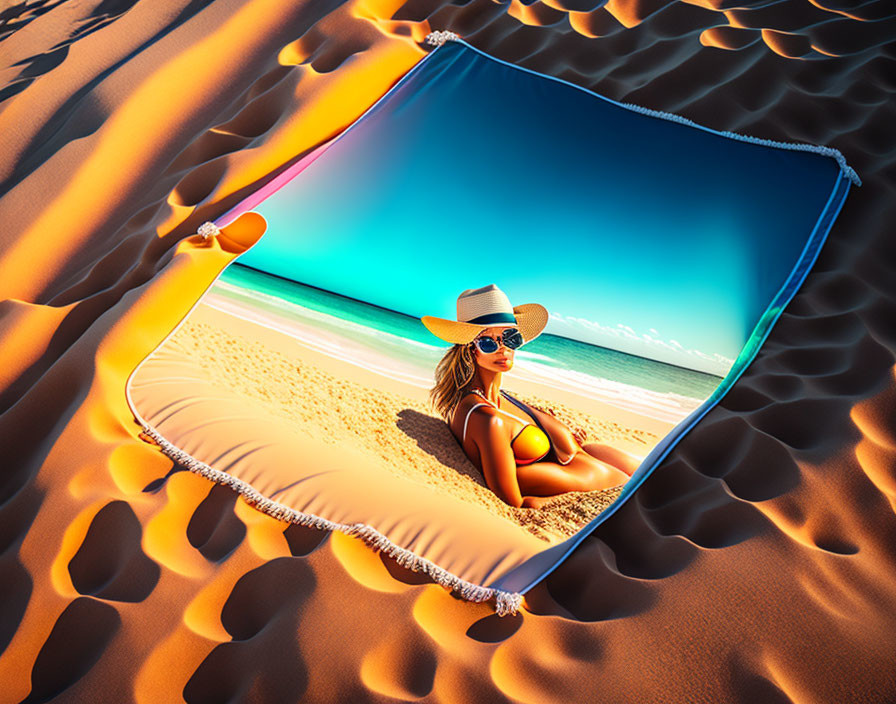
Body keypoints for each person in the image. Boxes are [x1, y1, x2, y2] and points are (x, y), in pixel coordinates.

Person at [422, 284, 640, 510]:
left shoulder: (498, 397)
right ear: (469, 349)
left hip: (588, 462)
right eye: (488, 342)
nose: (503, 349)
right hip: (610, 491)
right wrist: (570, 504)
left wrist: (561, 437)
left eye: (510, 338)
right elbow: (516, 502)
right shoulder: (486, 418)